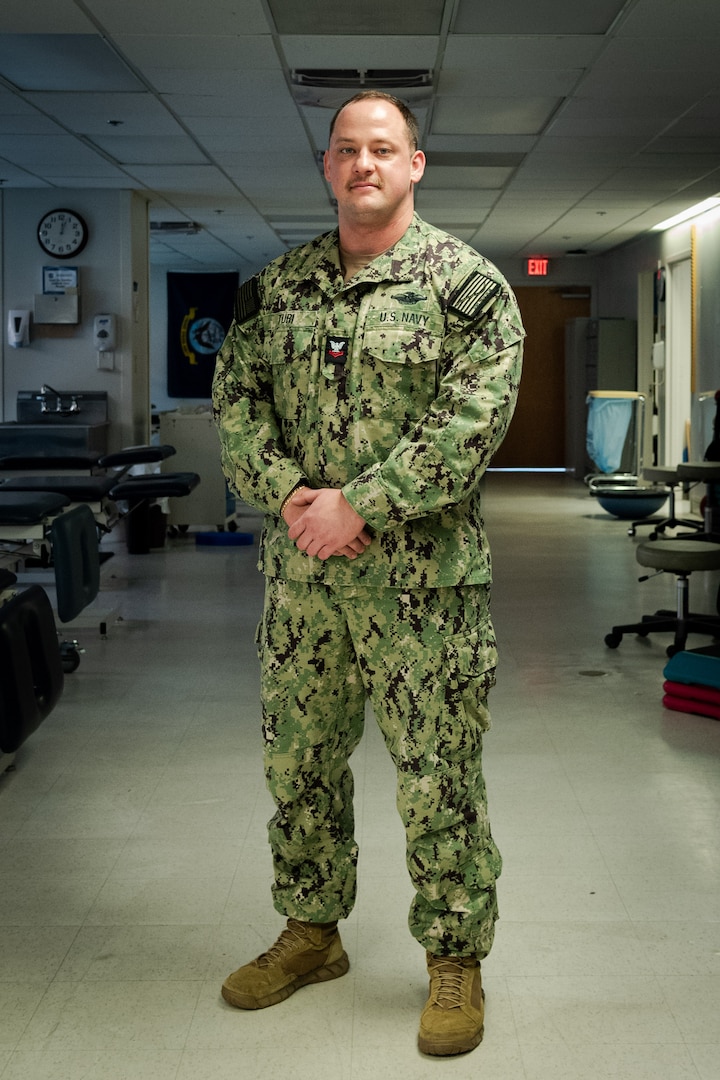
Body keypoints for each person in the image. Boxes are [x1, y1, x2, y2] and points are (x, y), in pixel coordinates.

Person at [212, 89, 524, 1058]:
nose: (364, 165)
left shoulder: (468, 290)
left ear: (416, 165)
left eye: (383, 149)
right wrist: (294, 494)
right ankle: (312, 932)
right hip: (305, 588)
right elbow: (237, 407)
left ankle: (455, 959)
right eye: (346, 149)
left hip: (423, 591)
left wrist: (362, 504)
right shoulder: (276, 291)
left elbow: (470, 425)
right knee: (298, 768)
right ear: (325, 166)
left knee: (439, 780)